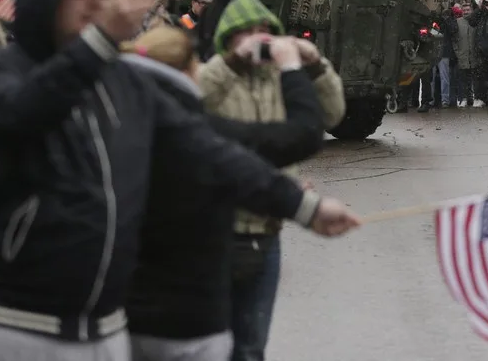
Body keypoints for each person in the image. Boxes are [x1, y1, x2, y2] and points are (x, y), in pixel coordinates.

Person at [0, 0, 359, 361]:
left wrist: (302, 206)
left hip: (103, 334)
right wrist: (101, 41)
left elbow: (210, 151)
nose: (93, 4)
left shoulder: (125, 83)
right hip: (10, 327)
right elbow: (19, 115)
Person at [120, 27, 341, 361]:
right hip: (190, 327)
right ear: (188, 73)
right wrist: (293, 67)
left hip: (122, 319)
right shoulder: (193, 135)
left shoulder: (110, 125)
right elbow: (294, 140)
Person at [198, 0, 347, 361]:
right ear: (228, 39)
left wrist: (314, 65)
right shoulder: (216, 74)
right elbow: (188, 100)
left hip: (266, 233)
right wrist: (234, 60)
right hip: (215, 235)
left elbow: (332, 114)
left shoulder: (285, 80)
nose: (259, 38)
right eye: (247, 31)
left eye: (266, 30)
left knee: (251, 347)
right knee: (210, 346)